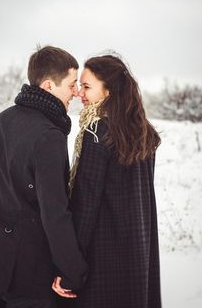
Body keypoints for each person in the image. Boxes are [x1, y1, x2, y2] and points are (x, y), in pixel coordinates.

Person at [0, 45, 88, 308]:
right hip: (29, 278)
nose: (76, 93)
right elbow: (55, 213)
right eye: (71, 85)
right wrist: (73, 272)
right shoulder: (49, 136)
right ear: (48, 86)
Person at [55, 54, 162, 308]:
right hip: (137, 252)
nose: (80, 93)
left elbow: (85, 206)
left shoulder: (96, 132)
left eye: (87, 86)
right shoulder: (142, 131)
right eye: (79, 85)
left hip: (102, 259)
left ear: (108, 91)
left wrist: (71, 266)